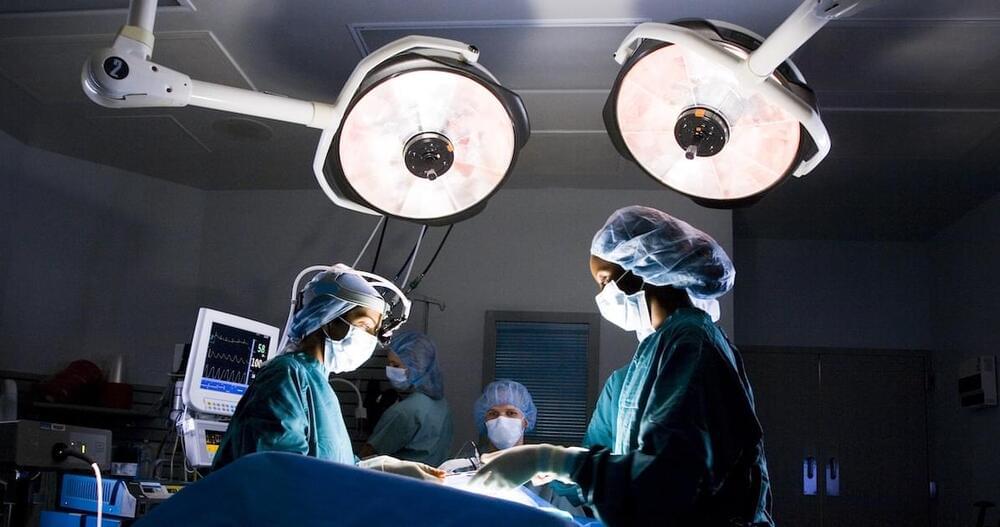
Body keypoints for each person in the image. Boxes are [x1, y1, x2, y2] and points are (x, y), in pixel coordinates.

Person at [471, 206, 773, 527]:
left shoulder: (691, 342)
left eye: (604, 280)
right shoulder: (653, 353)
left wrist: (549, 459)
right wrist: (553, 469)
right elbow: (624, 469)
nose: (603, 295)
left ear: (640, 268)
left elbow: (665, 482)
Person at [211, 264, 443, 482]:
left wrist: (380, 468)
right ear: (328, 319)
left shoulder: (319, 386)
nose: (370, 340)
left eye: (373, 332)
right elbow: (280, 474)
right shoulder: (285, 377)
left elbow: (336, 463)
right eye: (364, 326)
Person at [360, 330, 454, 466]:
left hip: (399, 479)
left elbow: (367, 458)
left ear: (416, 366)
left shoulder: (405, 411)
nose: (390, 369)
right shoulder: (442, 404)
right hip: (435, 476)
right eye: (389, 363)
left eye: (395, 365)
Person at [473, 379, 537, 452]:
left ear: (525, 422)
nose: (501, 419)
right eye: (493, 414)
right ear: (484, 421)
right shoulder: (469, 459)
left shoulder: (542, 458)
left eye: (511, 413)